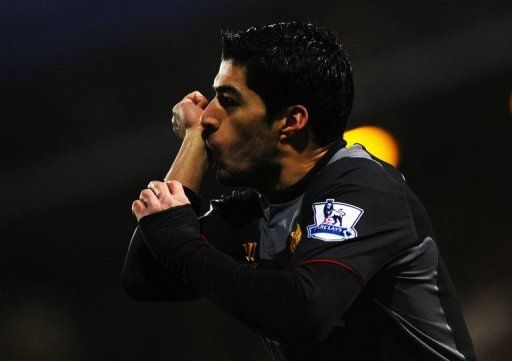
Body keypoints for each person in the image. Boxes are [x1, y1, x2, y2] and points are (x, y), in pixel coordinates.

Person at [122, 22, 475, 360]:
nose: (207, 117)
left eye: (228, 101)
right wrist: (194, 144)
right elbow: (146, 277)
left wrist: (182, 244)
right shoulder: (255, 209)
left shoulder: (363, 188)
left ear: (291, 121)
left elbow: (304, 311)